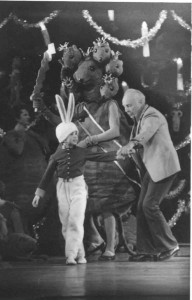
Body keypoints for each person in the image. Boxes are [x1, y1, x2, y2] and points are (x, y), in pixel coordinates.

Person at [32, 94, 118, 265]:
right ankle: (79, 253)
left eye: (76, 134)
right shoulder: (56, 155)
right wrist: (38, 194)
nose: (76, 137)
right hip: (62, 188)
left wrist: (120, 154)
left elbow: (101, 156)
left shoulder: (81, 151)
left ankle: (70, 255)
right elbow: (48, 174)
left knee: (76, 220)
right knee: (66, 223)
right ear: (64, 137)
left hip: (78, 187)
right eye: (73, 134)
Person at [117, 89, 181, 261]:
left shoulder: (151, 116)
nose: (127, 109)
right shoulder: (139, 119)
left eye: (129, 105)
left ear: (140, 102)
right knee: (141, 208)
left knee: (149, 206)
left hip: (164, 167)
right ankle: (147, 250)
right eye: (125, 106)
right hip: (153, 169)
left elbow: (145, 133)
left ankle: (170, 245)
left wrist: (131, 145)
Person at [1, 104, 52, 235]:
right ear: (17, 118)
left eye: (28, 114)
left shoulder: (31, 134)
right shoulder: (11, 135)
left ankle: (30, 243)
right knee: (22, 212)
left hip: (37, 180)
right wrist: (22, 132)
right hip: (22, 184)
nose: (28, 117)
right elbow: (18, 150)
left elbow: (46, 149)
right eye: (25, 115)